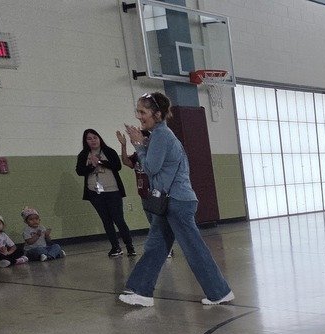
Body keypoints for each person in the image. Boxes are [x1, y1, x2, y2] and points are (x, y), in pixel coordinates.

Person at [120, 91, 233, 307]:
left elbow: (151, 168)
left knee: (193, 249)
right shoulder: (159, 135)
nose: (138, 116)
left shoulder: (162, 135)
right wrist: (142, 144)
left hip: (177, 202)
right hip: (171, 201)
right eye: (137, 111)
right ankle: (141, 291)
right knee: (156, 246)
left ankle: (220, 292)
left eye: (143, 112)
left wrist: (139, 145)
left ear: (157, 114)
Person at [75, 128, 136, 258]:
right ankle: (115, 247)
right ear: (85, 141)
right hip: (95, 192)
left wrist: (100, 162)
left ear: (99, 138)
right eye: (89, 139)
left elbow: (117, 166)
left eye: (95, 137)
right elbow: (79, 171)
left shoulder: (108, 151)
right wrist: (91, 165)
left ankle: (130, 246)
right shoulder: (83, 154)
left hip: (112, 190)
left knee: (119, 219)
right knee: (106, 220)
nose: (93, 141)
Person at [116, 128, 173, 258]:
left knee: (159, 222)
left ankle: (166, 248)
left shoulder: (154, 154)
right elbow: (126, 162)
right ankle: (161, 247)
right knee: (152, 223)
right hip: (144, 193)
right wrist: (123, 145)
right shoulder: (137, 155)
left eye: (138, 137)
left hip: (156, 193)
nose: (136, 140)